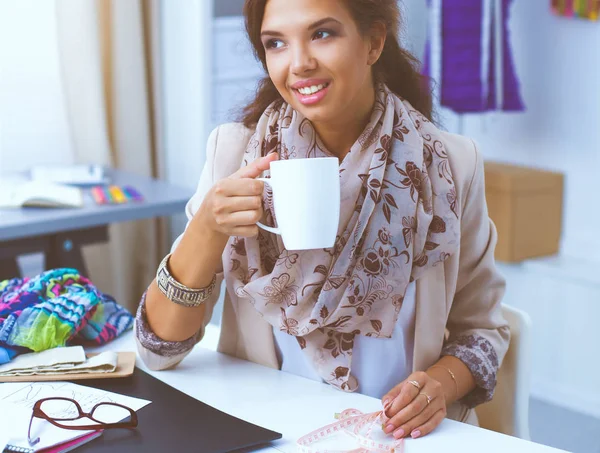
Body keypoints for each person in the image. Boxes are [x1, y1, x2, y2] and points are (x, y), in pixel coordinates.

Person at [135, 0, 510, 441]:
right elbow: (157, 351)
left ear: (373, 42)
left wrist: (439, 387)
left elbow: (483, 329)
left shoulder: (447, 165)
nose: (299, 64)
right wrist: (207, 228)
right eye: (276, 43)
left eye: (322, 34)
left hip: (397, 438)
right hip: (269, 432)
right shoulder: (235, 155)